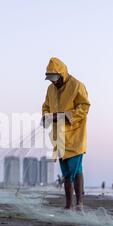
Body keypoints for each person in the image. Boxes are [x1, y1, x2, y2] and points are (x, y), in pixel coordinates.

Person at [42, 58, 90, 210]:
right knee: (66, 174)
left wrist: (63, 116)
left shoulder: (77, 86)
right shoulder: (50, 89)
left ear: (61, 74)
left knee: (76, 171)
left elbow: (84, 107)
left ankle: (79, 204)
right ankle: (68, 205)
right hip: (59, 138)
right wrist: (46, 116)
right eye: (51, 79)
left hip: (75, 136)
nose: (54, 82)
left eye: (55, 78)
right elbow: (46, 106)